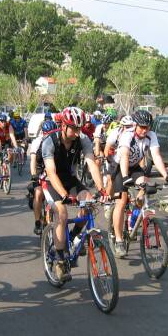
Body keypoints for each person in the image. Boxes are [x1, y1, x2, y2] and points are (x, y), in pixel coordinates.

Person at [37, 106, 108, 282]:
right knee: (61, 213)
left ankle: (75, 235)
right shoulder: (49, 141)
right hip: (50, 181)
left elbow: (92, 164)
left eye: (79, 128)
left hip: (69, 179)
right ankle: (60, 260)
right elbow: (51, 172)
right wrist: (64, 195)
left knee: (89, 202)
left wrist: (102, 189)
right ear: (63, 126)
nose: (77, 133)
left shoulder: (82, 139)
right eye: (74, 129)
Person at [111, 110, 168, 258]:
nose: (145, 130)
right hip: (120, 167)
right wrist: (125, 177)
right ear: (135, 125)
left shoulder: (151, 136)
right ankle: (119, 240)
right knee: (121, 201)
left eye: (147, 127)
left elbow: (156, 156)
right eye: (142, 127)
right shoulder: (127, 135)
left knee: (144, 188)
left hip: (135, 168)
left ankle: (133, 218)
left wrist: (166, 176)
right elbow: (124, 156)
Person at [29, 118, 58, 235]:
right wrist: (34, 175)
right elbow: (33, 160)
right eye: (48, 133)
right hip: (39, 169)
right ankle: (37, 222)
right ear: (43, 133)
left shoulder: (57, 141)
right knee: (38, 193)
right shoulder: (37, 142)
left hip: (52, 169)